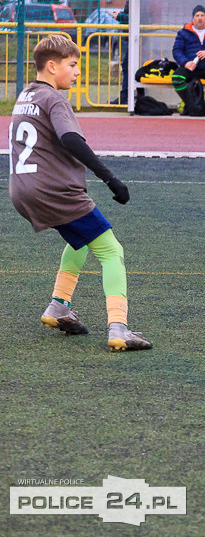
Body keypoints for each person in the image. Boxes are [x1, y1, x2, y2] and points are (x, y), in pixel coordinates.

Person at [9, 34, 151, 351]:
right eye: (72, 65)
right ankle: (119, 328)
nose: (77, 72)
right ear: (51, 66)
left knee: (80, 239)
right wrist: (110, 178)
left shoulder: (26, 95)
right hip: (54, 191)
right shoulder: (54, 99)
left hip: (22, 190)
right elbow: (71, 139)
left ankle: (59, 306)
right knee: (111, 250)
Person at [117, 0, 130, 104]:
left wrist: (119, 16)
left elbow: (133, 17)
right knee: (127, 66)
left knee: (127, 66)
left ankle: (125, 97)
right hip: (130, 38)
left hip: (135, 39)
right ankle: (126, 96)